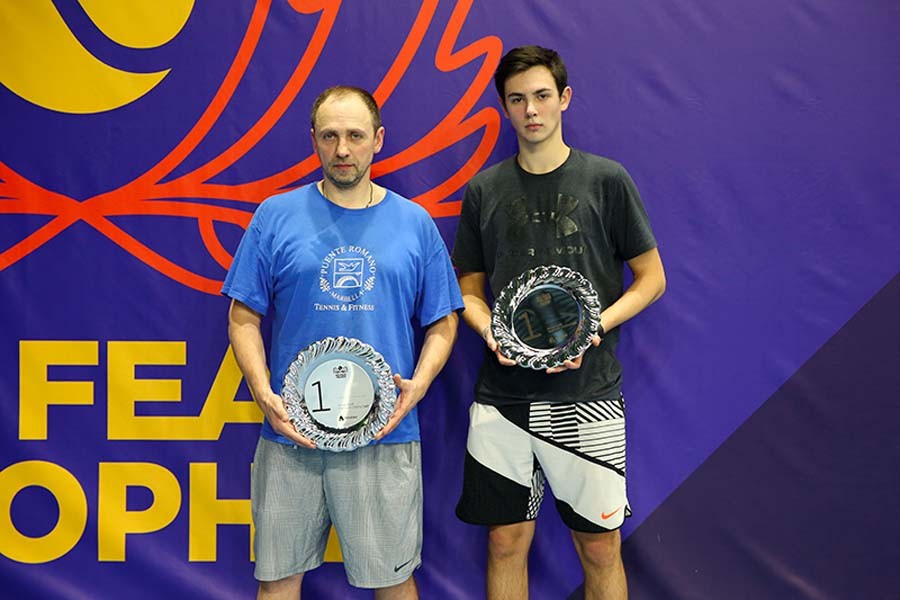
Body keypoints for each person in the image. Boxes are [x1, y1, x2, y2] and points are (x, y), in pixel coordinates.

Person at [223, 85, 463, 599]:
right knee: (276, 582)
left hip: (384, 434)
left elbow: (443, 321)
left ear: (378, 139)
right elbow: (243, 316)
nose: (342, 149)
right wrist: (264, 394)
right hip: (292, 435)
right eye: (330, 136)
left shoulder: (415, 223)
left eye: (355, 135)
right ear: (313, 140)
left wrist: (418, 385)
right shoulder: (275, 215)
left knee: (393, 583)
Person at [452, 46, 666, 599]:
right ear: (504, 106)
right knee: (504, 542)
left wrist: (594, 327)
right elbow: (468, 289)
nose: (531, 110)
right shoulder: (484, 189)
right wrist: (490, 331)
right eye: (517, 99)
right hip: (503, 397)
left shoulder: (606, 179)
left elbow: (651, 279)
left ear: (564, 98)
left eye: (542, 96)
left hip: (587, 396)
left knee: (600, 547)